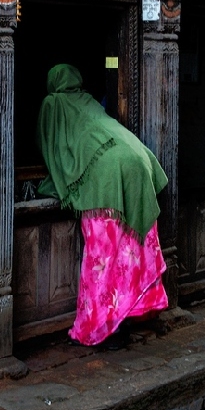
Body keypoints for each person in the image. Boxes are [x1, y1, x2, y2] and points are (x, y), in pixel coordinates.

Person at [36, 63, 169, 348]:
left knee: (102, 259)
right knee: (130, 252)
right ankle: (124, 319)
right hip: (138, 160)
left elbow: (50, 147)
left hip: (106, 176)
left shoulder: (53, 103)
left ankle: (101, 329)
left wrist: (59, 179)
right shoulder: (88, 100)